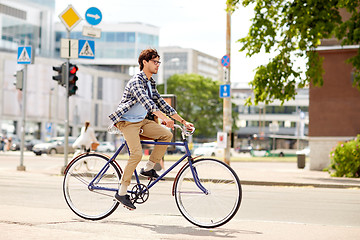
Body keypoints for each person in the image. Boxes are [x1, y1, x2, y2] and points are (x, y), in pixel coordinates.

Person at [108, 48, 194, 210]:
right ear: (144, 62)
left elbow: (161, 103)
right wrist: (164, 119)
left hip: (140, 121)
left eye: (158, 62)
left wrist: (183, 121)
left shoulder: (150, 83)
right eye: (155, 62)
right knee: (137, 154)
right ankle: (121, 192)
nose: (158, 65)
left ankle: (148, 169)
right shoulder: (136, 81)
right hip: (127, 122)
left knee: (166, 135)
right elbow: (149, 104)